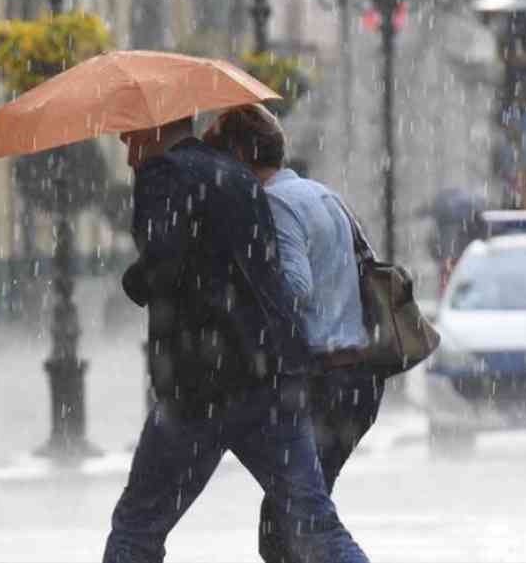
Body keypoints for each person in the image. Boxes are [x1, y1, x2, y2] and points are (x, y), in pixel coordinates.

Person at [103, 115, 369, 563]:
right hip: (269, 376)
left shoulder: (164, 174)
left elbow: (164, 261)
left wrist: (137, 281)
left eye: (130, 135)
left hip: (199, 383)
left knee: (138, 525)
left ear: (154, 130)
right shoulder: (236, 175)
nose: (126, 145)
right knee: (314, 524)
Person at [203, 104, 386, 563]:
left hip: (325, 381)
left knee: (297, 526)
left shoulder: (276, 203)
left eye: (225, 158)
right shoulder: (319, 193)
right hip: (357, 378)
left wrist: (244, 295)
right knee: (292, 521)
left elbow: (297, 286)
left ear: (243, 155)